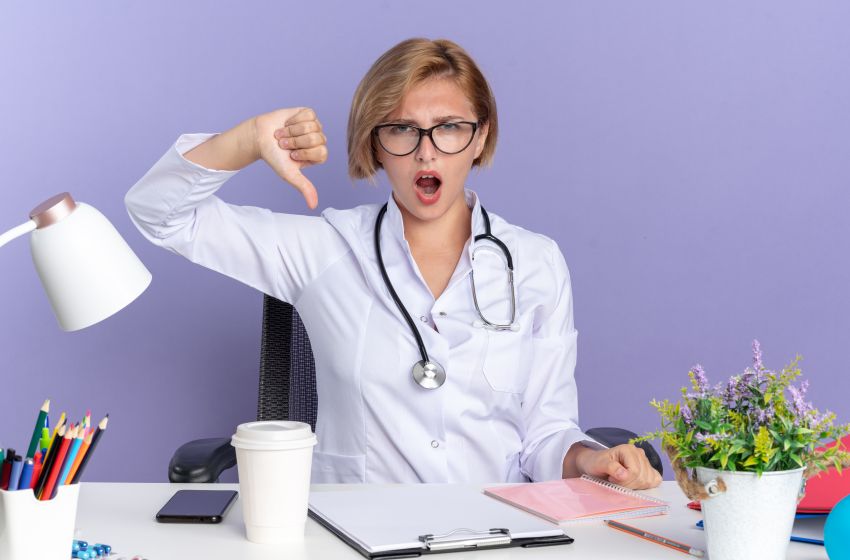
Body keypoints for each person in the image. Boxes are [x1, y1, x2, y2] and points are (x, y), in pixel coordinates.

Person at [125, 38, 662, 489]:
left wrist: (588, 459)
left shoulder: (535, 262)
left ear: (481, 137)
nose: (426, 153)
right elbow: (158, 214)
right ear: (375, 146)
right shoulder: (323, 248)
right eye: (402, 129)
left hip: (496, 531)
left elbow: (546, 431)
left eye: (449, 127)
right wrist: (246, 140)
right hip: (355, 537)